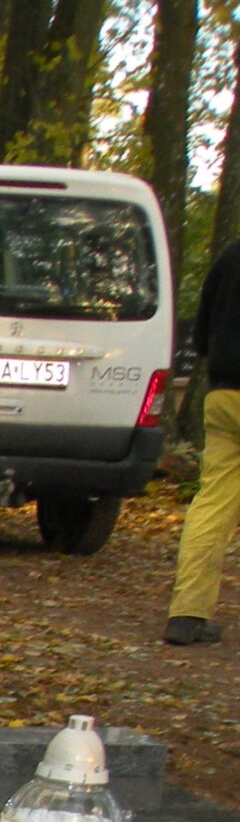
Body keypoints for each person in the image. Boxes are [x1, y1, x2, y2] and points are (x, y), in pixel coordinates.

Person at [164, 236, 240, 645]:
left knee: (212, 505)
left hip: (224, 397)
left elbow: (201, 337)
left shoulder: (231, 255)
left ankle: (187, 614)